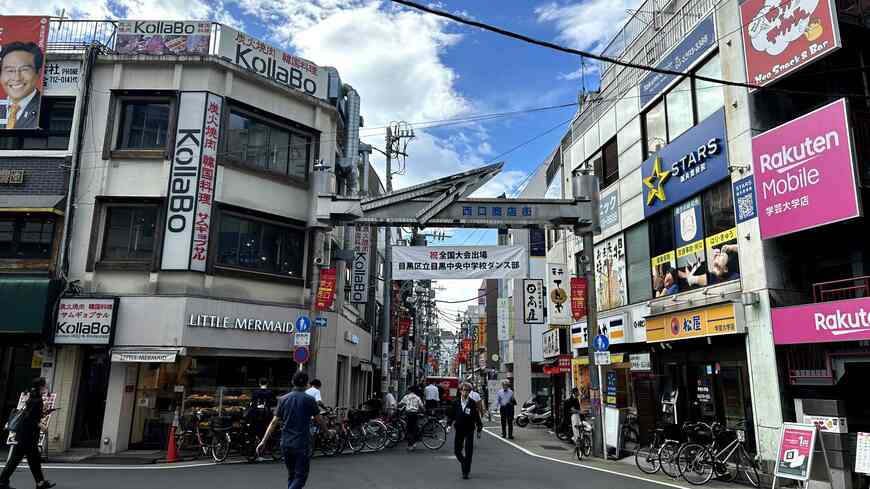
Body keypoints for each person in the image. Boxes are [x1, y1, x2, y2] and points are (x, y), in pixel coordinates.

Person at [258, 371, 325, 489]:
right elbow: (319, 420)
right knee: (301, 477)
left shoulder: (283, 399)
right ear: (306, 384)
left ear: (292, 382)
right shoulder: (309, 400)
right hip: (302, 443)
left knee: (292, 475)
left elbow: (274, 422)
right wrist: (328, 432)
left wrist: (263, 441)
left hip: (286, 443)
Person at [0, 378, 55, 489]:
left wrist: (43, 413)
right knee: (19, 459)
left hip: (25, 434)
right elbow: (29, 417)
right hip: (27, 436)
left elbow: (31, 414)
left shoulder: (33, 396)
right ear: (41, 386)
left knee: (32, 459)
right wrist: (41, 425)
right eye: (45, 385)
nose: (46, 386)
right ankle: (2, 481)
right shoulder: (37, 399)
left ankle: (40, 483)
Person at [1, 42, 43, 129]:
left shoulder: (44, 107)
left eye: (24, 69)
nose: (17, 78)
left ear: (38, 72)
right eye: (10, 70)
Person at [447, 382, 483, 480]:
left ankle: (465, 472)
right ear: (460, 391)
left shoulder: (472, 403)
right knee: (457, 451)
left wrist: (479, 429)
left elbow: (476, 417)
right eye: (463, 390)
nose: (465, 392)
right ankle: (464, 462)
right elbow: (451, 415)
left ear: (469, 392)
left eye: (467, 390)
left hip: (469, 429)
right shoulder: (456, 402)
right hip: (459, 429)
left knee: (468, 450)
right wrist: (449, 425)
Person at [399, 386, 425, 451]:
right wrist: (424, 411)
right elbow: (421, 406)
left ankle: (410, 445)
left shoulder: (406, 397)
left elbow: (400, 404)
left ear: (409, 391)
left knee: (409, 430)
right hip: (415, 414)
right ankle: (414, 443)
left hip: (408, 414)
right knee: (414, 429)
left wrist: (396, 406)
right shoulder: (417, 397)